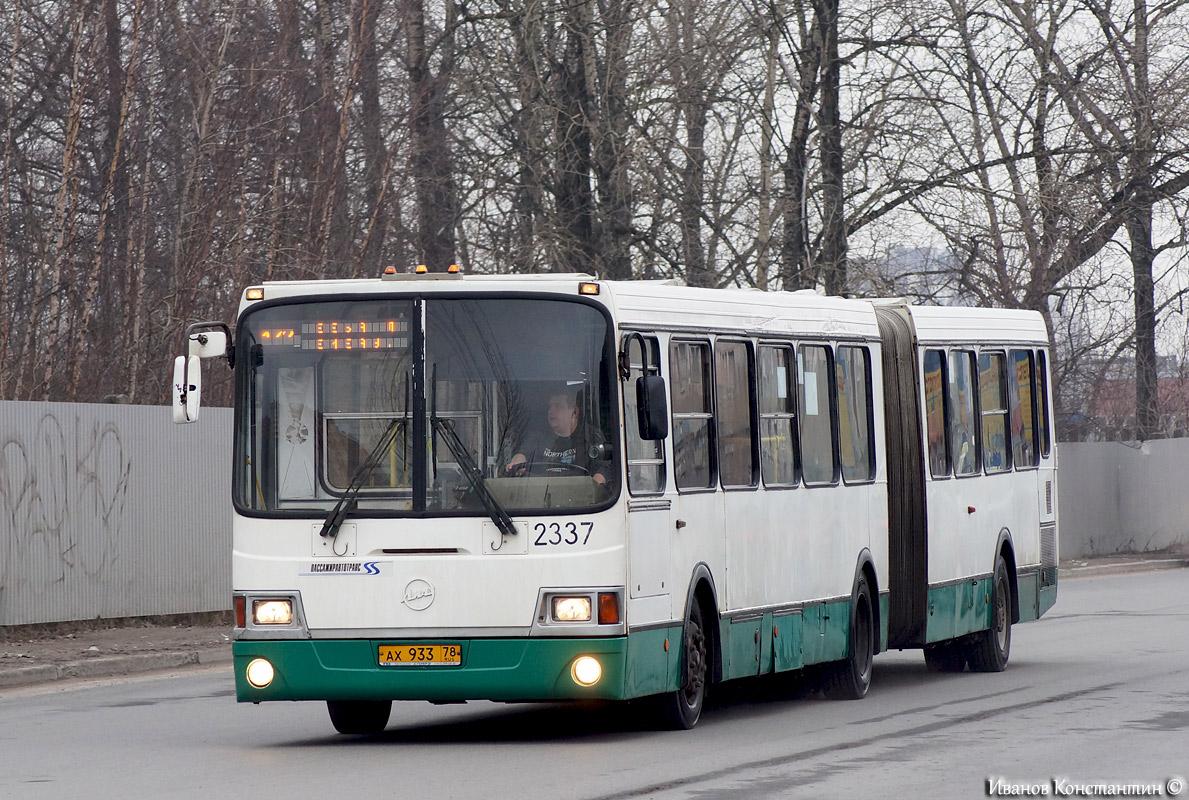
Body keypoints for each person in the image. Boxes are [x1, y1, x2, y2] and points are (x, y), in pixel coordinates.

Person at [505, 387, 610, 484]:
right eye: (550, 406)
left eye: (558, 406)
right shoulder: (538, 437)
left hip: (580, 499)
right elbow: (522, 454)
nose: (551, 411)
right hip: (540, 496)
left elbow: (602, 469)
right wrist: (516, 463)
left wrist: (594, 489)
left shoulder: (591, 436)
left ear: (574, 412)